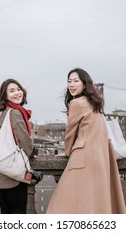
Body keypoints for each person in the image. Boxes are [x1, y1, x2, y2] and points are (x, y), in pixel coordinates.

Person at [47, 68, 126, 214]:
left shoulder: (76, 103)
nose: (71, 85)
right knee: (94, 201)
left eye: (76, 81)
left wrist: (67, 152)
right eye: (69, 81)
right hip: (101, 157)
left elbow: (70, 134)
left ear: (84, 84)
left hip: (83, 157)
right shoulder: (95, 103)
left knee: (61, 203)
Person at [0, 78, 37, 214]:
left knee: (5, 212)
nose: (17, 93)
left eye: (18, 89)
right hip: (12, 176)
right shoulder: (15, 113)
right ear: (5, 96)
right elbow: (25, 142)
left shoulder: (5, 113)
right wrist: (33, 152)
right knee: (18, 213)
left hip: (1, 173)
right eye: (12, 91)